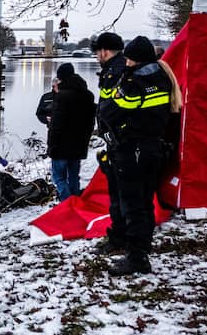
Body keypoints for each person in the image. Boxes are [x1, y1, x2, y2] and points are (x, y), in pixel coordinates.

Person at [98, 36, 173, 276]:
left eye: (129, 59)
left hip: (134, 150)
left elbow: (111, 110)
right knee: (144, 202)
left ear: (137, 59)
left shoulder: (136, 81)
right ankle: (136, 247)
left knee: (133, 204)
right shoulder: (161, 77)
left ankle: (137, 257)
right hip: (151, 149)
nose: (126, 63)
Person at [90, 31, 128, 256]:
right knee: (122, 195)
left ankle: (119, 239)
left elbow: (111, 108)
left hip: (120, 142)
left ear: (104, 51)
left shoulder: (115, 72)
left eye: (97, 52)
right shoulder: (120, 68)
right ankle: (121, 237)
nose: (96, 56)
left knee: (120, 195)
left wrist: (109, 132)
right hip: (119, 141)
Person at [47, 63, 96, 200]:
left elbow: (57, 124)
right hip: (79, 144)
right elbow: (90, 122)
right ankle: (76, 202)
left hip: (61, 145)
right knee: (74, 176)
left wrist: (51, 145)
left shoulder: (62, 97)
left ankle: (68, 203)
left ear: (61, 78)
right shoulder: (88, 95)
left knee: (58, 177)